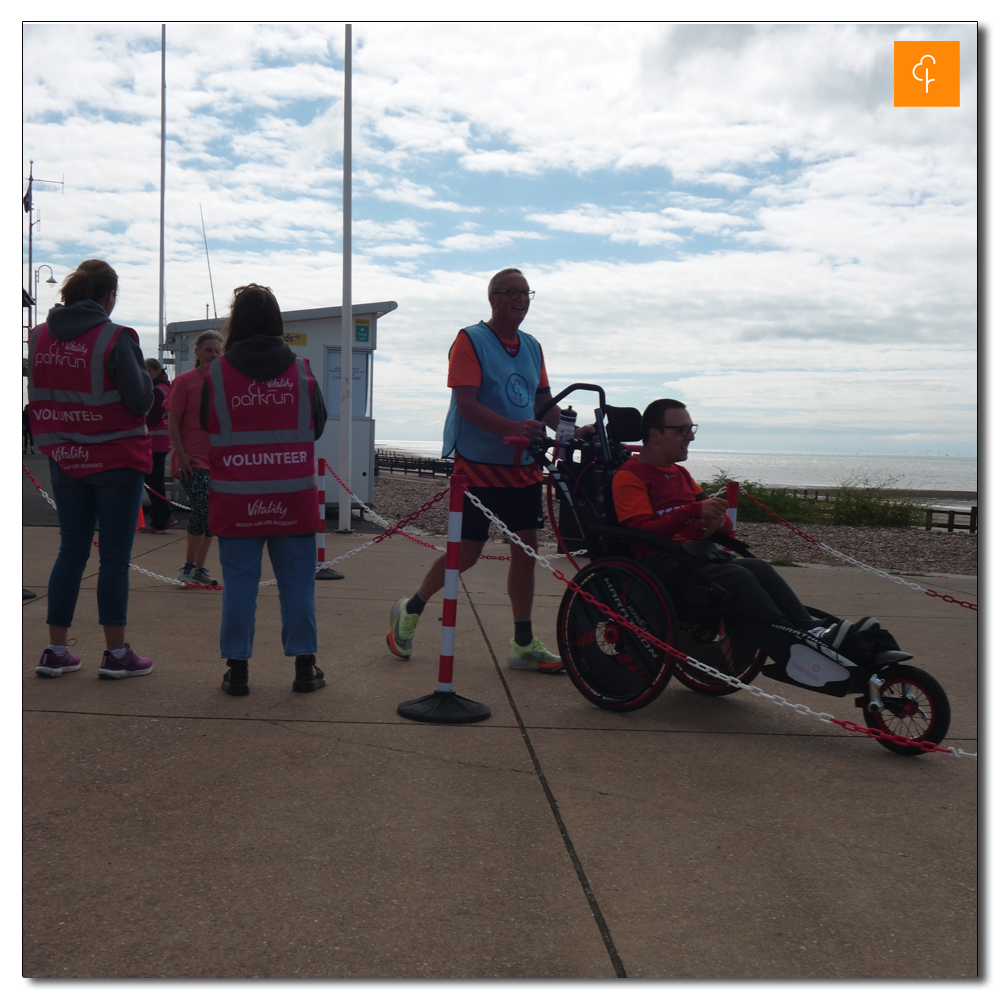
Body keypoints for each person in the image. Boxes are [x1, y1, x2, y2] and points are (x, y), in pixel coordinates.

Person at [387, 267, 568, 672]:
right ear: (493, 298)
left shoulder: (533, 345)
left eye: (526, 293)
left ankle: (523, 642)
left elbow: (542, 404)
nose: (521, 300)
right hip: (478, 465)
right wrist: (514, 427)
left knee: (526, 550)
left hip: (521, 465)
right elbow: (466, 404)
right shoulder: (470, 339)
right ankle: (411, 608)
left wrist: (572, 430)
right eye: (512, 292)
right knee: (465, 554)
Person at [611, 399, 874, 660]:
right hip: (660, 565)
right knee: (737, 577)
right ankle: (792, 644)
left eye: (692, 428)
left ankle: (811, 630)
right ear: (655, 434)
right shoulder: (630, 475)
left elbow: (718, 517)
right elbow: (641, 533)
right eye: (682, 430)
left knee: (758, 567)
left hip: (695, 558)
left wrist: (716, 521)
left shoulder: (681, 474)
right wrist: (692, 513)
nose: (690, 436)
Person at [27, 258, 155, 679]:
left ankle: (55, 650)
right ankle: (116, 655)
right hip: (116, 459)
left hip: (67, 457)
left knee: (71, 550)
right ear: (108, 296)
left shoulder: (39, 337)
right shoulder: (115, 337)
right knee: (115, 558)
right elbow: (139, 401)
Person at [201, 284, 327, 695]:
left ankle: (238, 671)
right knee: (297, 585)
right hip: (293, 499)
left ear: (236, 322)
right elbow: (318, 425)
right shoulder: (303, 370)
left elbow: (207, 422)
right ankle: (304, 669)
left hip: (237, 499)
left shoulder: (217, 372)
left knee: (239, 585)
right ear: (277, 321)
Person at [165, 331, 223, 585]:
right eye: (209, 350)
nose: (214, 355)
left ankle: (199, 567)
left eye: (218, 351)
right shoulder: (185, 381)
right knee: (202, 505)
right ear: (197, 352)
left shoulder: (224, 383)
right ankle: (188, 566)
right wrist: (181, 453)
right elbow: (173, 420)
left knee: (212, 514)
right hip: (191, 458)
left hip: (218, 460)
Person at [138, 357, 177, 533]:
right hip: (160, 441)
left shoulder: (158, 390)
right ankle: (163, 515)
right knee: (154, 481)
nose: (146, 375)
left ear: (157, 371)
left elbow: (152, 418)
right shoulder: (164, 388)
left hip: (155, 442)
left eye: (149, 372)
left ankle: (161, 517)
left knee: (154, 482)